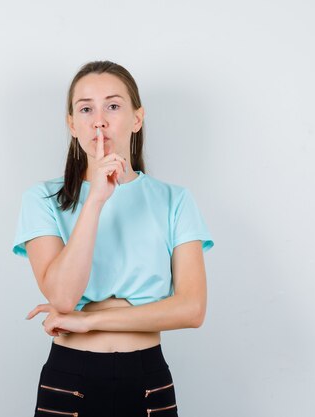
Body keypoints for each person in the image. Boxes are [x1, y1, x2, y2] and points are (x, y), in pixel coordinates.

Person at [12, 60, 214, 417]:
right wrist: (95, 201)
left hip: (148, 379)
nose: (99, 120)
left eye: (113, 105)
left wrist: (89, 320)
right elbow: (62, 296)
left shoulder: (175, 200)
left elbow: (191, 309)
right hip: (69, 377)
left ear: (137, 119)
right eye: (86, 108)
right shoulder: (42, 199)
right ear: (72, 125)